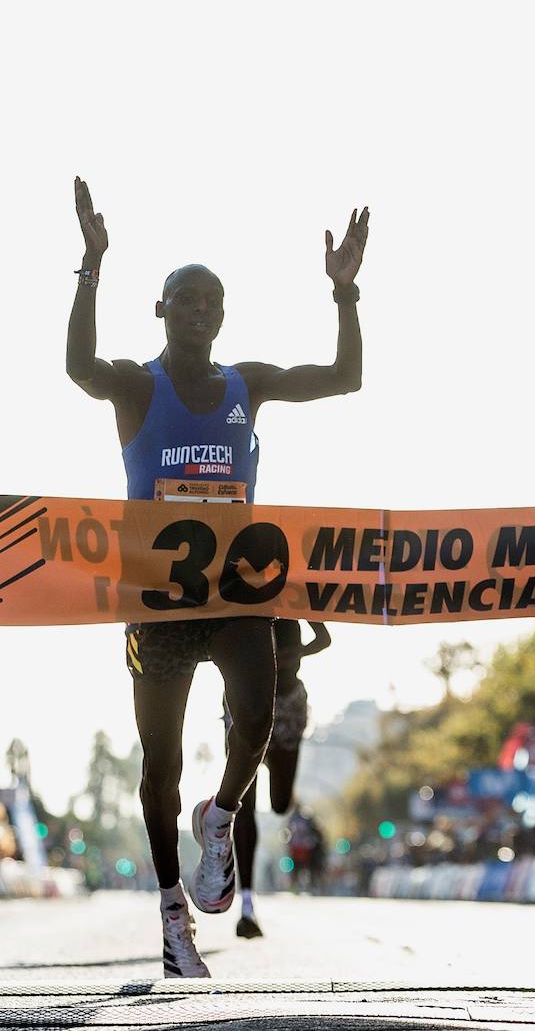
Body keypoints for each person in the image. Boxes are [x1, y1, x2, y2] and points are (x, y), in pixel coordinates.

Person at [66, 176, 368, 978]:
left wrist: (346, 295)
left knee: (258, 711)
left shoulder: (248, 384)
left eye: (212, 301)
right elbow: (77, 367)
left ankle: (223, 813)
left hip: (237, 592)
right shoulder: (138, 385)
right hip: (157, 603)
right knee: (157, 764)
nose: (199, 309)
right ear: (161, 312)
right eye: (184, 299)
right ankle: (173, 913)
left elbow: (344, 378)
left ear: (223, 317)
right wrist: (90, 266)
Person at [228, 618, 331, 938]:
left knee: (280, 803)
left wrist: (289, 656)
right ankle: (246, 903)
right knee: (242, 804)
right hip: (244, 697)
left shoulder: (294, 592)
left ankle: (272, 762)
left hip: (287, 703)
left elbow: (324, 638)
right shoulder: (234, 592)